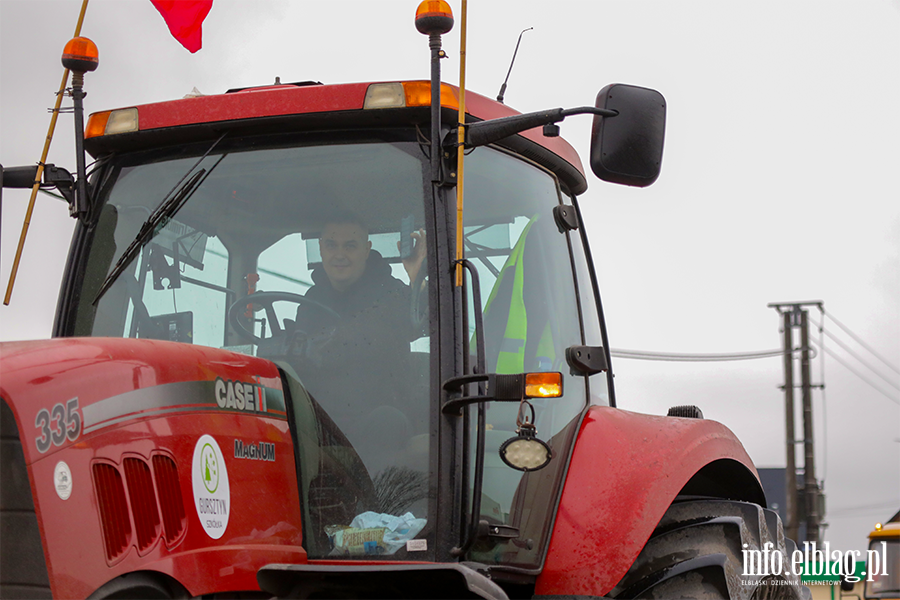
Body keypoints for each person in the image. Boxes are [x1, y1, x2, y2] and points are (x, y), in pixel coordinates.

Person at [290, 212, 427, 476]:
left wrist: (416, 277)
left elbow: (425, 320)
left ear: (366, 250)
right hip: (322, 416)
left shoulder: (392, 292)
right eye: (331, 245)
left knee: (388, 420)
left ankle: (377, 512)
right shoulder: (310, 300)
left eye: (350, 246)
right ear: (321, 248)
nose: (339, 254)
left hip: (374, 413)